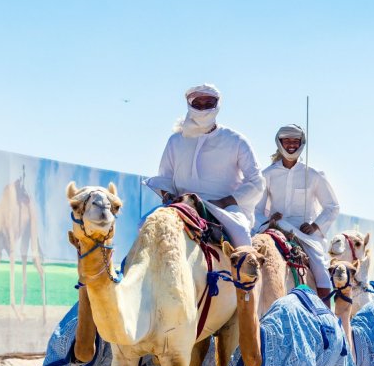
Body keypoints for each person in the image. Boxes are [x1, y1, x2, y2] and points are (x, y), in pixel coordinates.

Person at [144, 84, 264, 248]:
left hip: (224, 210)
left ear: (217, 105)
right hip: (182, 206)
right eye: (197, 104)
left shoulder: (236, 140)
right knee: (143, 225)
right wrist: (169, 196)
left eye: (208, 103)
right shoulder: (175, 141)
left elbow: (257, 181)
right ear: (189, 105)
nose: (203, 108)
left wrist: (224, 201)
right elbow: (165, 177)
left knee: (241, 235)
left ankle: (243, 274)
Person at [255, 124, 340, 302]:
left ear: (301, 143)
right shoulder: (267, 174)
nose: (291, 145)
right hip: (274, 228)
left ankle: (325, 316)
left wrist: (315, 226)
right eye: (287, 141)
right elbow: (256, 209)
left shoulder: (313, 174)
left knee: (320, 267)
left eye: (295, 141)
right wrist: (268, 221)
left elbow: (332, 206)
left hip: (305, 236)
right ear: (280, 143)